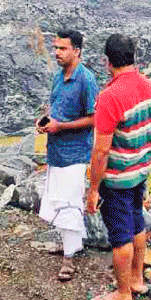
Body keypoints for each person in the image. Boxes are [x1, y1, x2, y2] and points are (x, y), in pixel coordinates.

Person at [86, 34, 151, 300]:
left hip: (117, 179)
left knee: (120, 236)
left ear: (107, 61)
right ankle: (137, 279)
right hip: (140, 171)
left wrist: (93, 189)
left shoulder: (110, 97)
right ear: (133, 56)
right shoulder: (148, 86)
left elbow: (101, 151)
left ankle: (122, 295)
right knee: (137, 223)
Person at [36, 30, 98, 281]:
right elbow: (55, 107)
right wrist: (46, 121)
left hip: (75, 152)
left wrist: (61, 126)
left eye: (63, 48)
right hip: (56, 151)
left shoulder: (87, 80)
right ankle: (69, 245)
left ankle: (69, 260)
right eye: (56, 48)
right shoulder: (58, 77)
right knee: (58, 200)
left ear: (77, 52)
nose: (57, 53)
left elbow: (94, 119)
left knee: (70, 202)